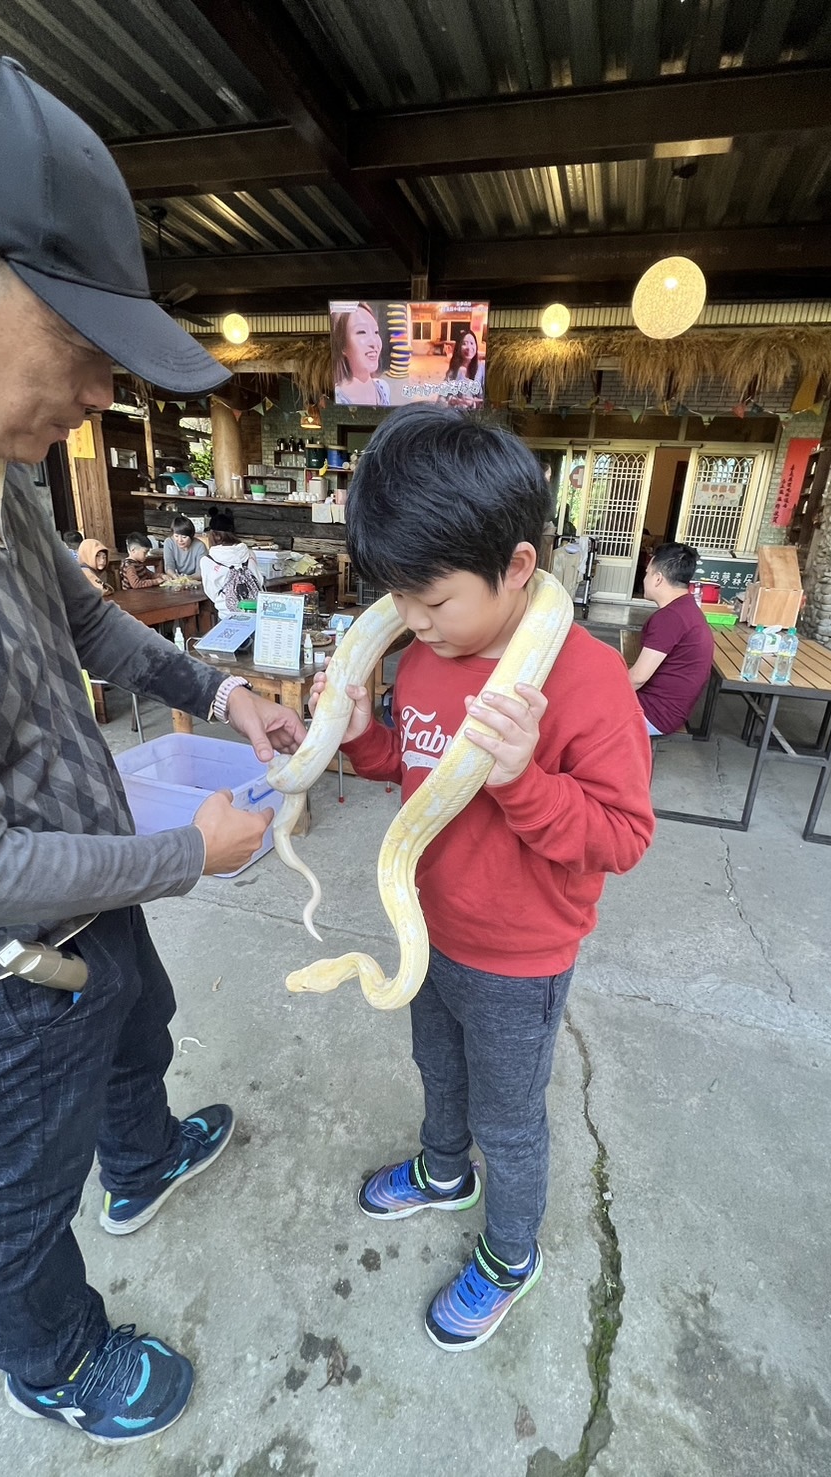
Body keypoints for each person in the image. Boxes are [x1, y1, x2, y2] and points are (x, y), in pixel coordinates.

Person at [0, 33, 306, 1446]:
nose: (99, 397)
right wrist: (188, 849)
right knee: (20, 1175)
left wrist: (218, 691)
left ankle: (144, 1154)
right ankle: (50, 1351)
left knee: (136, 1021)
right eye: (76, 343)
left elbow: (98, 635)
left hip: (91, 883)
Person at [310, 406, 654, 1351]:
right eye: (399, 602)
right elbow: (412, 766)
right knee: (437, 1070)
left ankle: (511, 1252)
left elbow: (623, 835)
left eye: (432, 599)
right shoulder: (424, 659)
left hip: (520, 957)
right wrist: (360, 739)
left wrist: (523, 784)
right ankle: (440, 1168)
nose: (413, 622)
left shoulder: (584, 682)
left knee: (511, 1116)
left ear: (516, 567)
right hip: (429, 929)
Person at [627, 541, 714, 737]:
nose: (645, 579)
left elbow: (637, 679)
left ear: (658, 578)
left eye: (647, 573)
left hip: (655, 714)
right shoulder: (686, 608)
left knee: (578, 704)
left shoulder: (670, 617)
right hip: (669, 710)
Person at [332, 301, 391, 407]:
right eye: (362, 332)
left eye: (376, 332)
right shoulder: (338, 397)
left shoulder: (383, 387)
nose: (374, 343)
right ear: (343, 346)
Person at [200, 528, 261, 611]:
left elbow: (211, 592)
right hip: (255, 609)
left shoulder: (208, 560)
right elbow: (259, 580)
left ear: (214, 536)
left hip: (226, 612)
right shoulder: (249, 553)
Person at [442, 328, 484, 408]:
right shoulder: (453, 370)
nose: (469, 347)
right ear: (459, 347)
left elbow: (488, 401)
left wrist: (473, 403)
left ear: (476, 346)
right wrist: (451, 400)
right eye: (464, 343)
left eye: (472, 343)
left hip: (474, 417)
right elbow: (442, 396)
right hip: (455, 415)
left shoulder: (482, 369)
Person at [163, 513, 205, 579]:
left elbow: (200, 572)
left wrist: (187, 578)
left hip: (194, 580)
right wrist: (174, 576)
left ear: (191, 536)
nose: (180, 540)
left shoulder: (200, 546)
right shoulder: (169, 542)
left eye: (184, 537)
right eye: (176, 536)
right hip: (177, 578)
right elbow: (169, 566)